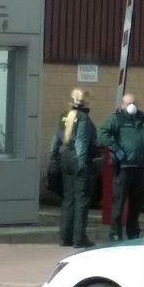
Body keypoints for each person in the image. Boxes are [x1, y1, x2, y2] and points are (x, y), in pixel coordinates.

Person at [97, 93, 144, 241]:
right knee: (118, 203)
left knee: (137, 204)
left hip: (141, 166)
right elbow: (102, 134)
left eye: (133, 103)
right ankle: (115, 233)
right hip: (124, 168)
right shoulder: (116, 118)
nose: (131, 106)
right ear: (122, 105)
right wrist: (116, 149)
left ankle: (133, 233)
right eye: (128, 103)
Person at [51, 88, 96, 248]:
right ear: (86, 101)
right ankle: (79, 238)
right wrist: (83, 163)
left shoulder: (65, 116)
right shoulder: (83, 118)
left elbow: (56, 139)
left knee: (68, 199)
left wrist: (53, 157)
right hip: (78, 160)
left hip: (65, 158)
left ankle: (65, 237)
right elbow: (81, 143)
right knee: (81, 200)